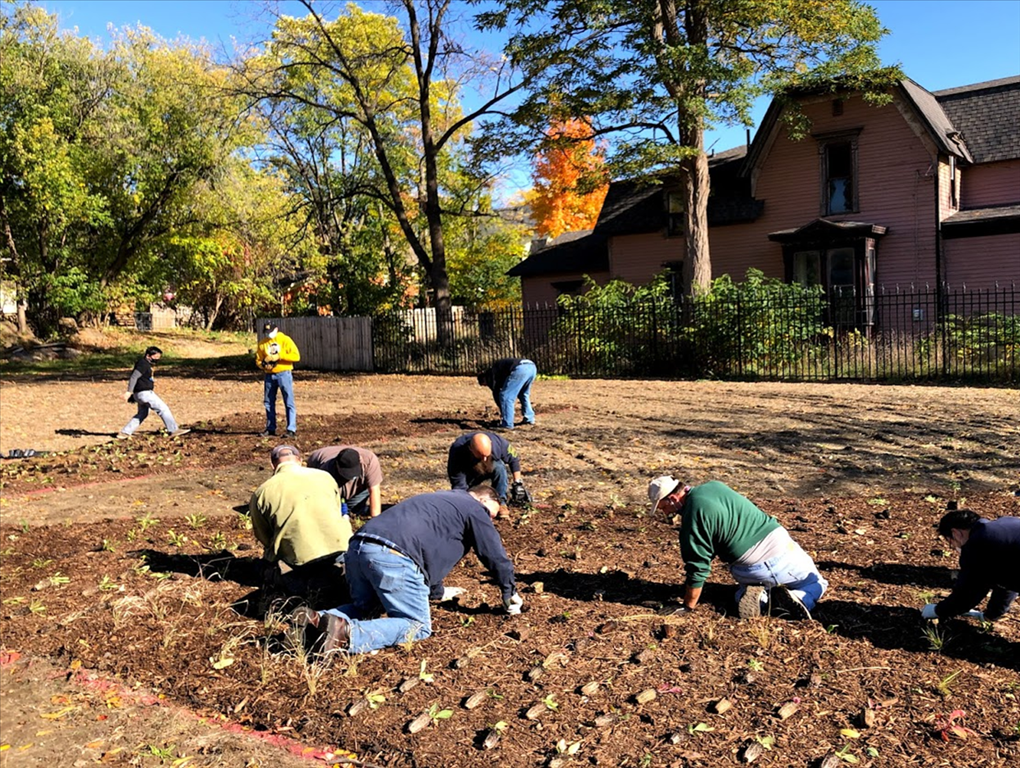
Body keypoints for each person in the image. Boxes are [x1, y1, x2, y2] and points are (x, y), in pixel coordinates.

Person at [291, 486, 522, 655]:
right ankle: (346, 635)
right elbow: (493, 554)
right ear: (481, 500)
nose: (489, 521)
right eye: (490, 515)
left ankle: (314, 621)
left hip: (358, 547)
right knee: (416, 625)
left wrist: (438, 592)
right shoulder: (474, 509)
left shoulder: (441, 499)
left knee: (368, 608)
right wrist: (509, 591)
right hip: (392, 556)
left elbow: (431, 552)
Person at [648, 476, 828, 620]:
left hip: (752, 568)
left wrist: (687, 606)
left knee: (817, 584)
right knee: (816, 582)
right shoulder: (714, 486)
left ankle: (762, 599)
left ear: (672, 499)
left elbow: (698, 566)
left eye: (663, 507)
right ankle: (783, 595)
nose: (665, 513)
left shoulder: (693, 516)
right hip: (781, 546)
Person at [249, 445, 352, 606]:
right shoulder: (325, 477)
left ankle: (299, 583)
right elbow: (337, 511)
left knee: (267, 567)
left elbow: (264, 536)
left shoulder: (262, 492)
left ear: (272, 465)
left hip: (300, 560)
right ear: (300, 460)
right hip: (341, 549)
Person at [922, 509, 1019, 623]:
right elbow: (1006, 582)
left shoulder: (977, 545)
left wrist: (937, 610)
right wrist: (991, 615)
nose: (954, 547)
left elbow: (968, 594)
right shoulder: (1006, 524)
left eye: (950, 542)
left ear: (955, 533)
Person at [447, 431, 532, 512]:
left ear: (491, 444)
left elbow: (514, 460)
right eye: (480, 455)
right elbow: (457, 480)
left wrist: (518, 483)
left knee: (499, 467)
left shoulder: (499, 443)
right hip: (468, 470)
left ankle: (501, 503)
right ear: (471, 449)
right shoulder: (458, 450)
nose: (484, 459)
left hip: (491, 466)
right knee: (467, 496)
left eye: (486, 455)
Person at [117, 346, 189, 439]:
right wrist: (129, 392)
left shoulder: (145, 364)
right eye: (156, 357)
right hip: (145, 393)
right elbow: (134, 377)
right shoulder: (143, 364)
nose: (157, 359)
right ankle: (173, 430)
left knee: (142, 414)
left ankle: (124, 433)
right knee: (163, 409)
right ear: (148, 355)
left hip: (140, 394)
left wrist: (134, 394)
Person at [306, 445, 384, 517]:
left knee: (354, 510)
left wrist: (375, 520)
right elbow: (320, 496)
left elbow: (374, 490)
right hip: (325, 478)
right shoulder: (325, 470)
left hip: (359, 487)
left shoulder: (370, 461)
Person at [255, 322, 300, 437]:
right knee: (268, 402)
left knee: (288, 401)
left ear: (276, 329)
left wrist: (280, 356)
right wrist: (263, 366)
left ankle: (291, 429)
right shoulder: (262, 344)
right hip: (269, 375)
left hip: (284, 373)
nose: (269, 335)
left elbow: (296, 356)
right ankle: (270, 428)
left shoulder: (285, 340)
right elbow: (258, 360)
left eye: (270, 332)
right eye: (266, 333)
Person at [477, 357, 537, 429]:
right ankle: (529, 418)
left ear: (484, 379)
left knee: (505, 396)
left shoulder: (491, 374)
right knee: (523, 394)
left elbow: (497, 393)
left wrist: (503, 411)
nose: (487, 386)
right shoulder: (497, 371)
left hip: (519, 369)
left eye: (484, 384)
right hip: (531, 367)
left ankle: (507, 424)